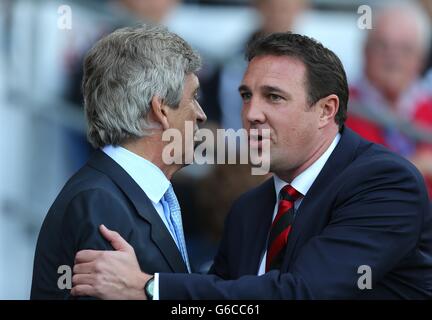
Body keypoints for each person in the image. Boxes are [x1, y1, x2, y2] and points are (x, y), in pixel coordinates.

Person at [71, 32, 432, 299]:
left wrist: (149, 287)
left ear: (326, 110)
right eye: (246, 96)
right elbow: (222, 303)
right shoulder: (249, 210)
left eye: (273, 97)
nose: (251, 114)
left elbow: (305, 292)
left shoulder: (385, 183)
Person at [30, 24, 206, 299]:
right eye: (193, 97)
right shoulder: (100, 203)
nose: (201, 114)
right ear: (160, 109)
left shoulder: (123, 194)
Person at [346, 4, 432, 196]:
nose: (393, 57)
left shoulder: (429, 107)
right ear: (365, 50)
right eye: (382, 45)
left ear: (420, 58)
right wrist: (415, 165)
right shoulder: (337, 108)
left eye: (405, 49)